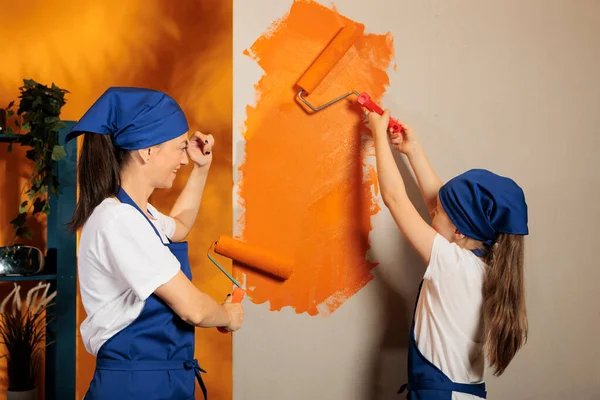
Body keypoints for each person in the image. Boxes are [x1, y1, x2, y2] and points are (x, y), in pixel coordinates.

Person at [66, 87, 244, 400]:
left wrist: (202, 169)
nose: (183, 160)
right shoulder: (120, 219)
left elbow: (180, 227)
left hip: (157, 379)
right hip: (136, 385)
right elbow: (193, 310)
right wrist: (227, 316)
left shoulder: (139, 214)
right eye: (179, 148)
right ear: (147, 151)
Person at [367, 110, 529, 399]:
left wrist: (377, 135)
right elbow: (439, 203)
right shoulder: (481, 262)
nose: (432, 211)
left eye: (438, 211)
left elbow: (395, 199)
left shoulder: (452, 265)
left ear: (459, 231)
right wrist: (411, 149)